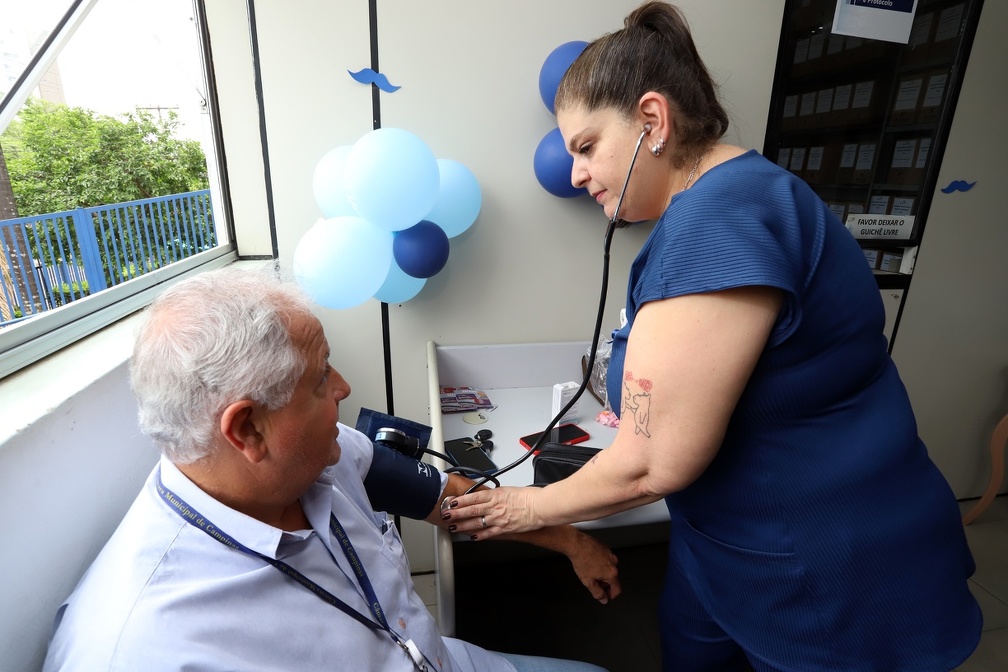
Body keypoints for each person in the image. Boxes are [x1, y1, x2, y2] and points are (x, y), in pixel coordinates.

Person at [443, 3, 982, 671]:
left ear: (652, 121)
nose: (575, 171)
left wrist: (524, 509)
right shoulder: (727, 202)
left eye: (585, 146)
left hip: (816, 565)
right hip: (723, 544)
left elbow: (650, 463)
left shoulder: (719, 224)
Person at [42, 264, 619, 672]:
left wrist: (570, 540)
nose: (344, 388)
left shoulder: (321, 456)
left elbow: (448, 498)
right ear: (247, 430)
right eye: (321, 379)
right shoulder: (140, 648)